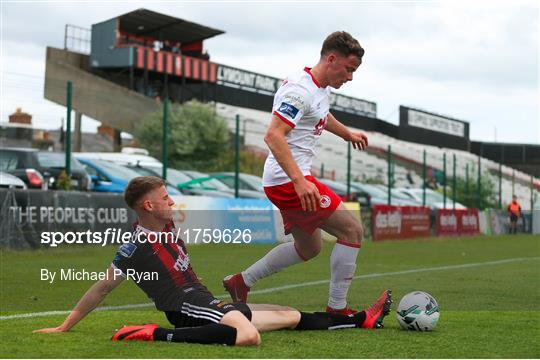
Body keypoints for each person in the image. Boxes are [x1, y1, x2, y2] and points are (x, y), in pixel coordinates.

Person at [34, 176, 392, 346]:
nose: (171, 201)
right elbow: (103, 286)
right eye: (164, 197)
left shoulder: (169, 224)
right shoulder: (135, 246)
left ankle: (360, 320)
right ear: (148, 207)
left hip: (204, 300)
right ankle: (156, 334)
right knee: (248, 335)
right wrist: (66, 326)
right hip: (189, 309)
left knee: (287, 313)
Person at [223, 31, 375, 315]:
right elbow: (274, 136)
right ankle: (337, 308)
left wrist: (347, 134)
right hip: (287, 180)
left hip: (285, 180)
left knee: (309, 249)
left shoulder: (319, 88)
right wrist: (299, 181)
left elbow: (321, 115)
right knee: (352, 230)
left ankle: (241, 282)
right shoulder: (299, 90)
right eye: (349, 69)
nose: (351, 77)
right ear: (332, 59)